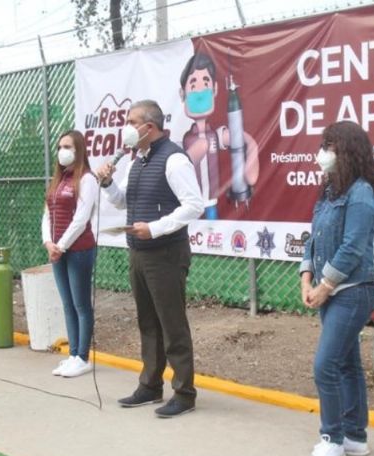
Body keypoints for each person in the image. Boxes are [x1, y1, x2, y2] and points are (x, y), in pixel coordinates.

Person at [97, 99, 204, 418]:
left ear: (149, 127)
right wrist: (107, 183)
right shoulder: (137, 160)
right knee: (147, 321)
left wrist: (156, 228)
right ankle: (150, 385)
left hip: (166, 253)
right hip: (139, 252)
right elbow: (121, 202)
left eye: (132, 122)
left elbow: (194, 205)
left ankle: (184, 392)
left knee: (172, 324)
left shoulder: (174, 160)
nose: (127, 129)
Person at [298, 121, 374, 456]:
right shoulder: (329, 191)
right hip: (329, 290)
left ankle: (332, 438)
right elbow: (313, 238)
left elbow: (353, 247)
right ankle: (355, 437)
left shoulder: (362, 192)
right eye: (324, 145)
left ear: (348, 151)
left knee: (326, 366)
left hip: (352, 292)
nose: (323, 153)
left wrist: (324, 286)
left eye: (331, 146)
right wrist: (306, 277)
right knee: (347, 365)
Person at [42, 130, 99, 378]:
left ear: (78, 150)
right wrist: (48, 242)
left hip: (79, 250)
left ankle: (83, 357)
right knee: (67, 304)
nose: (62, 151)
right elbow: (47, 214)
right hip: (57, 251)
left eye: (67, 146)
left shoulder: (87, 179)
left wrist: (61, 245)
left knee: (81, 304)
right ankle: (73, 354)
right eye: (59, 146)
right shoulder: (57, 180)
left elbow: (81, 218)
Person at [179, 52, 259, 218]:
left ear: (214, 89)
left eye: (205, 83)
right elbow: (179, 166)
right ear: (182, 93)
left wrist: (252, 149)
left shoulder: (216, 135)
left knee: (212, 234)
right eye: (193, 85)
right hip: (189, 205)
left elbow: (244, 140)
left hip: (211, 206)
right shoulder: (186, 140)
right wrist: (194, 154)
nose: (200, 92)